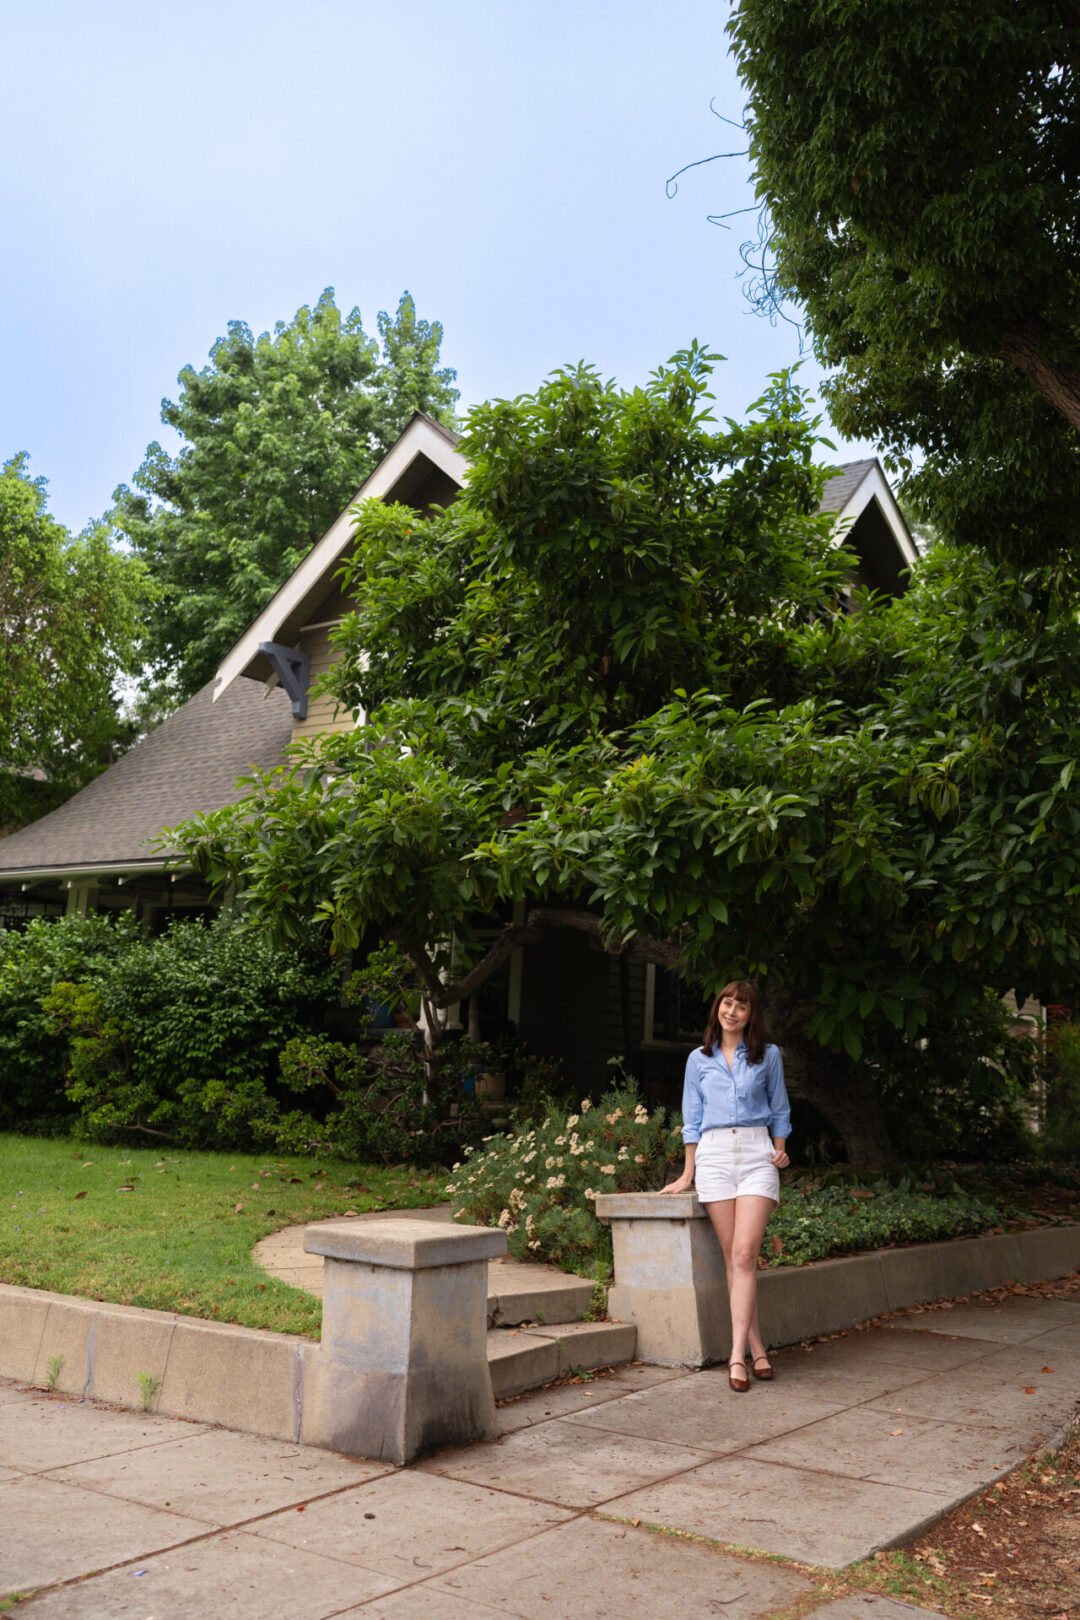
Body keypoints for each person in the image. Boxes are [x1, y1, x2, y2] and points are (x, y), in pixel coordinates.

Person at [661, 979, 791, 1392]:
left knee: (745, 1252)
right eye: (727, 1003)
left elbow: (780, 1107)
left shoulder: (768, 1056)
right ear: (718, 1007)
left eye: (741, 1006)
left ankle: (735, 1357)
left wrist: (780, 1149)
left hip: (757, 1154)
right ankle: (757, 1348)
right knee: (735, 1258)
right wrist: (687, 1173)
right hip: (714, 1157)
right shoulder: (698, 1060)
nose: (732, 1011)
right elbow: (692, 1118)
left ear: (752, 1015)